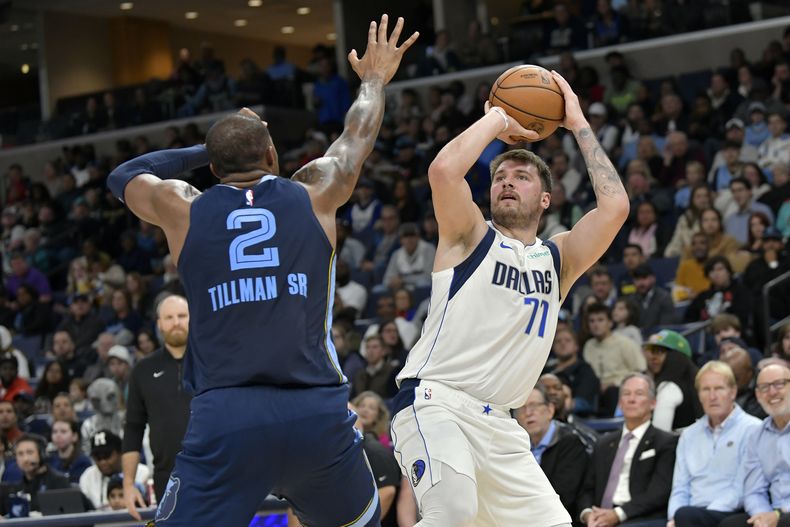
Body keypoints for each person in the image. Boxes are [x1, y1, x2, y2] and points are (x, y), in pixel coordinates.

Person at [106, 14, 418, 527]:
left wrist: (204, 148)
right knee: (358, 521)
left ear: (212, 168)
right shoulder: (315, 190)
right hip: (314, 408)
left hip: (226, 416)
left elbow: (124, 175)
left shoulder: (185, 207)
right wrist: (374, 79)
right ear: (272, 153)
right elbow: (357, 134)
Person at [391, 69, 629, 526]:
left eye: (521, 177)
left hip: (501, 423)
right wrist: (498, 118)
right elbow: (443, 171)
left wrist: (576, 121)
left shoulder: (559, 259)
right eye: (500, 175)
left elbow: (616, 208)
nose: (506, 181)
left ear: (545, 199)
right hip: (437, 401)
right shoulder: (468, 236)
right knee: (451, 513)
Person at [667, 361, 762, 527]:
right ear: (699, 395)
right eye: (706, 389)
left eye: (718, 388)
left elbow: (742, 488)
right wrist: (673, 518)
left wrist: (703, 514)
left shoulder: (752, 429)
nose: (712, 396)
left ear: (732, 392)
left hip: (730, 511)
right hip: (690, 515)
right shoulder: (688, 435)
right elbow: (680, 488)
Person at [122, 295, 192, 516]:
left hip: (217, 472)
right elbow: (133, 428)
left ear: (193, 318)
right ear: (159, 323)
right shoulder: (143, 370)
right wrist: (128, 484)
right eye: (169, 317)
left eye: (182, 316)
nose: (176, 322)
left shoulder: (214, 361)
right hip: (167, 478)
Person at [578, 374, 677, 527]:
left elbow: (658, 493)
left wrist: (618, 514)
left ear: (653, 403)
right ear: (620, 403)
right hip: (598, 518)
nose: (631, 399)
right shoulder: (603, 443)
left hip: (639, 518)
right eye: (626, 394)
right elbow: (587, 489)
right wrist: (587, 514)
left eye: (639, 394)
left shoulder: (665, 442)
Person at [719, 364, 790, 527]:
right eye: (764, 387)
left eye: (779, 384)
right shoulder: (756, 436)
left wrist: (779, 515)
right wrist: (761, 516)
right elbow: (753, 490)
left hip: (785, 515)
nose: (772, 392)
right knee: (729, 524)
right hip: (774, 513)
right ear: (758, 395)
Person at [515, 385, 590, 517]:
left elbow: (563, 497)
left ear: (550, 410)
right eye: (522, 407)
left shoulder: (570, 443)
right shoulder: (517, 446)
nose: (528, 413)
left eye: (534, 406)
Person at [642, 330, 702, 432]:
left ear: (676, 357)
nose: (653, 357)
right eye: (651, 351)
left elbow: (659, 435)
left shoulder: (669, 387)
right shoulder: (699, 381)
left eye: (659, 351)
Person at [0, 434, 74, 516]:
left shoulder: (59, 482)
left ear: (42, 454)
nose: (25, 459)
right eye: (20, 454)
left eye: (30, 452)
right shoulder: (15, 486)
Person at [80, 430, 149, 510]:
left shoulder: (142, 472)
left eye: (107, 455)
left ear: (120, 453)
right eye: (97, 457)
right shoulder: (87, 477)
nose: (103, 462)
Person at [47, 419, 92, 484]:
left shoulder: (83, 462)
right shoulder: (49, 461)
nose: (58, 435)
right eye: (55, 432)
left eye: (63, 432)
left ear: (74, 436)